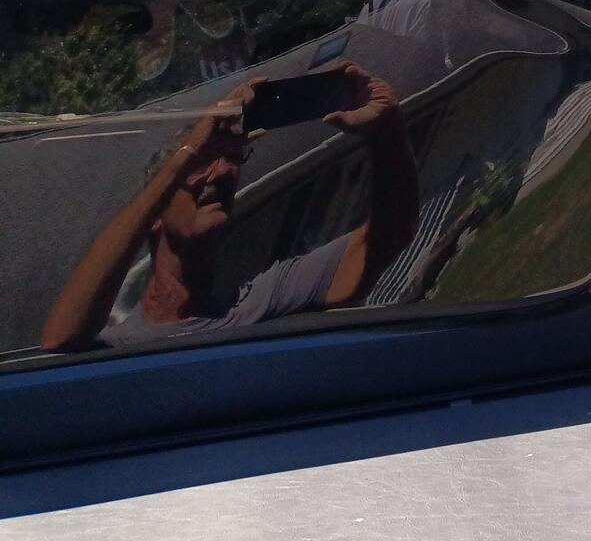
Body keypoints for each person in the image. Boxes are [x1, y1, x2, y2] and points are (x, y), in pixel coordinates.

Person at [40, 64, 420, 353]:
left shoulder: (262, 301)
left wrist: (387, 133)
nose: (224, 171)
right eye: (207, 161)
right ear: (154, 213)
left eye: (232, 161)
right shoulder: (116, 344)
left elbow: (383, 239)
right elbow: (59, 341)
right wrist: (187, 155)